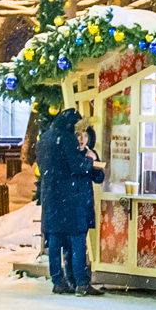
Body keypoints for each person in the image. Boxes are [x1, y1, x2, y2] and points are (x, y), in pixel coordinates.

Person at [37, 109, 104, 296]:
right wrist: (90, 163)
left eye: (84, 135)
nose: (80, 139)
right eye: (78, 134)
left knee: (57, 242)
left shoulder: (46, 138)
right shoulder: (67, 141)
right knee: (76, 242)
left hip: (53, 200)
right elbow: (76, 166)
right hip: (72, 203)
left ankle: (59, 281)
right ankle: (80, 282)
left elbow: (46, 167)